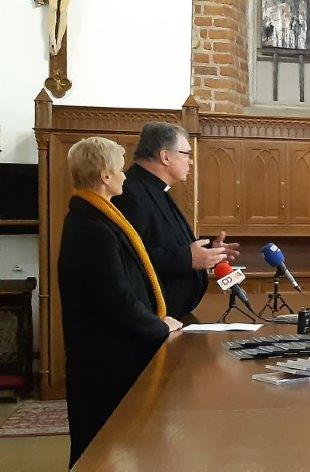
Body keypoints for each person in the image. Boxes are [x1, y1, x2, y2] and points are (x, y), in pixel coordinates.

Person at [58, 137, 183, 467]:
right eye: (119, 169)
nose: (125, 176)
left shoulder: (97, 218)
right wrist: (158, 326)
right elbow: (117, 298)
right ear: (104, 176)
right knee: (103, 445)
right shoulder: (93, 228)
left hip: (111, 352)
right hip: (105, 358)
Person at [112, 122, 239, 321]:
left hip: (171, 316)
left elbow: (164, 242)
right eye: (187, 154)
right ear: (165, 156)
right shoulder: (130, 192)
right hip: (150, 320)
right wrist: (187, 258)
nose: (191, 162)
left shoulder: (156, 189)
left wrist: (208, 253)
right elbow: (128, 257)